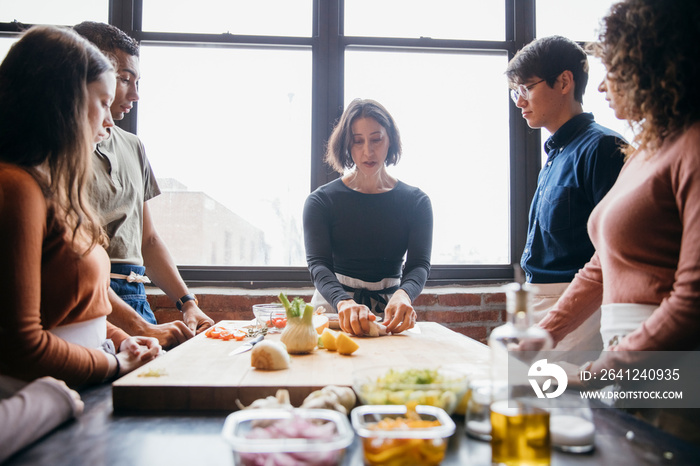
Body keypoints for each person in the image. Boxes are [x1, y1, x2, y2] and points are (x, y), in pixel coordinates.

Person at [537, 0, 700, 441]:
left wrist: (597, 372)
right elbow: (601, 268)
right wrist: (541, 333)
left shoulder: (694, 146)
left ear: (655, 66)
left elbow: (693, 300)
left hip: (675, 371)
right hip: (630, 361)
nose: (604, 87)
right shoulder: (643, 151)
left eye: (616, 70)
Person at [0, 25, 162, 455]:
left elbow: (75, 310)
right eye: (103, 103)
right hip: (36, 408)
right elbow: (23, 344)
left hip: (80, 392)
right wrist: (114, 361)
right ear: (63, 103)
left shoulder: (51, 189)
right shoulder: (14, 187)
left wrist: (122, 339)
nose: (109, 121)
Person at [73, 21, 214, 348]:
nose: (135, 94)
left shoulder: (133, 146)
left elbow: (147, 240)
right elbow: (73, 267)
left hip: (135, 296)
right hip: (91, 292)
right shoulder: (60, 150)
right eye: (124, 80)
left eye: (137, 81)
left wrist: (187, 303)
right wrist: (137, 329)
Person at [506, 35, 627, 361]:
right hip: (539, 303)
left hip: (580, 312)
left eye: (525, 89)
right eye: (515, 92)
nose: (519, 101)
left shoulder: (603, 148)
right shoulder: (556, 153)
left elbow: (613, 255)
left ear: (563, 82)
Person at [303, 98, 433, 337]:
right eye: (357, 141)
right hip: (333, 308)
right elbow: (318, 265)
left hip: (389, 310)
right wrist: (344, 302)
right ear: (346, 145)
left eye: (376, 139)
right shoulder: (320, 201)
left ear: (390, 139)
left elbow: (418, 266)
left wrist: (403, 295)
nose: (368, 151)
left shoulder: (417, 202)